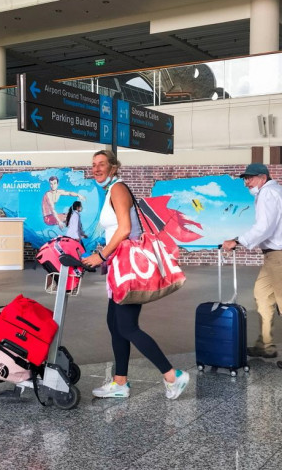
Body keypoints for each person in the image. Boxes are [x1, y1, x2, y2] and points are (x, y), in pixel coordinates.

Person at [82, 150, 190, 399]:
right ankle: (120, 383)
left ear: (113, 167)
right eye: (94, 165)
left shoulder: (118, 189)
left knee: (128, 327)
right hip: (119, 267)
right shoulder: (111, 190)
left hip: (128, 267)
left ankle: (173, 375)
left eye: (102, 164)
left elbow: (125, 229)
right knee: (115, 324)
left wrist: (101, 255)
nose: (96, 169)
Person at [222, 163, 282, 370]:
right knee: (262, 295)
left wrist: (237, 241)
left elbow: (264, 227)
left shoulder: (268, 194)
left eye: (250, 178)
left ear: (263, 178)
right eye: (245, 179)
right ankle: (266, 345)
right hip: (276, 257)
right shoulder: (281, 192)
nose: (247, 183)